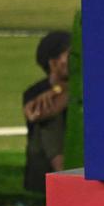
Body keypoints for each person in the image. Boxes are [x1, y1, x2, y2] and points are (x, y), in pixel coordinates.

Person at [22, 31, 71, 193]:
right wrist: (59, 91)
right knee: (48, 120)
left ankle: (67, 179)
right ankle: (66, 178)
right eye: (69, 55)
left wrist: (61, 90)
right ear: (53, 63)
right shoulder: (35, 93)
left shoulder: (82, 85)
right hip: (44, 164)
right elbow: (35, 113)